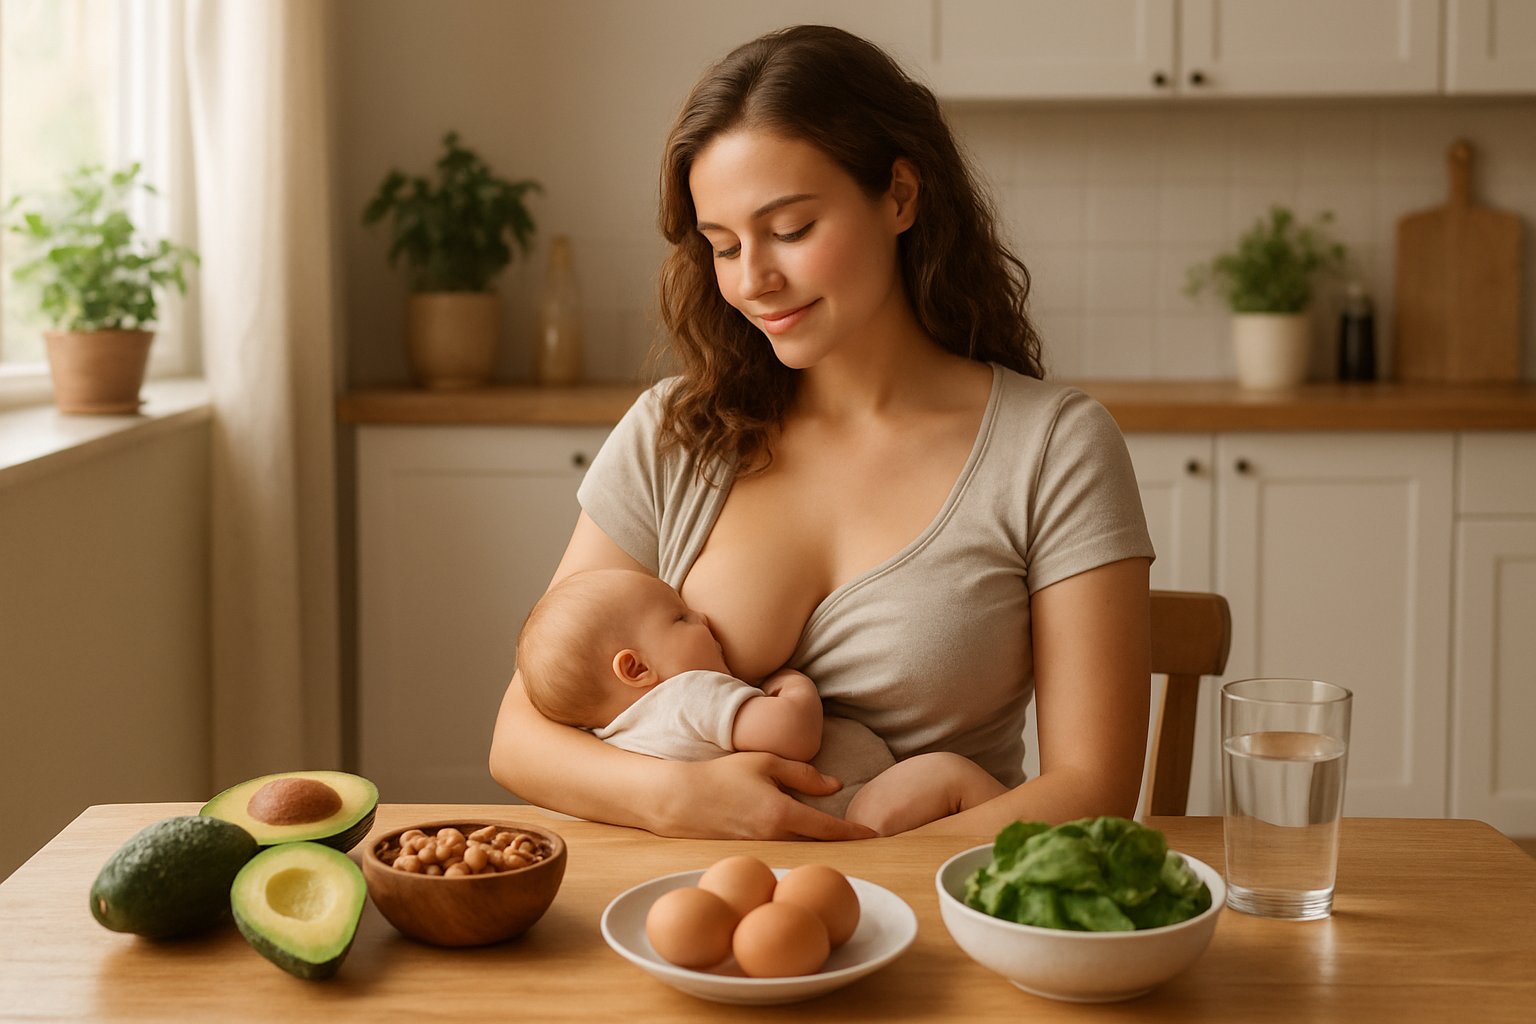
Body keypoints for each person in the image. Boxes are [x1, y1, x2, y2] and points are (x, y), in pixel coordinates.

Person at [489, 24, 1154, 840]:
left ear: (900, 196)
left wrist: (875, 869)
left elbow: (1095, 785)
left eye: (792, 230)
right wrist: (682, 798)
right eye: (723, 247)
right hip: (700, 891)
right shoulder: (675, 432)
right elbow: (520, 738)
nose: (754, 281)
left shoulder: (1053, 447)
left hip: (935, 897)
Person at [516, 567, 1009, 835]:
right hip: (842, 821)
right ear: (635, 669)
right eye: (680, 618)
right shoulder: (684, 695)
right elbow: (792, 736)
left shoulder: (616, 736)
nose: (703, 618)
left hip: (787, 843)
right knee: (945, 772)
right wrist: (793, 686)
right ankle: (1025, 849)